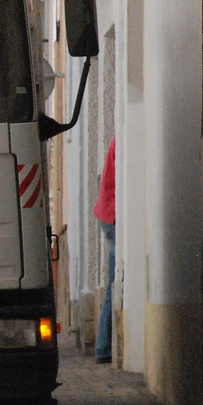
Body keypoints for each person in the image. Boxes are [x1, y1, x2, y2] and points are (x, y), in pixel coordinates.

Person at [93, 137, 117, 363]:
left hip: (108, 214)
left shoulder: (116, 141)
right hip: (112, 215)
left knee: (113, 284)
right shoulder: (121, 142)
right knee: (113, 285)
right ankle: (104, 347)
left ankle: (104, 347)